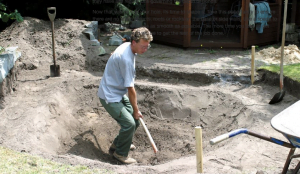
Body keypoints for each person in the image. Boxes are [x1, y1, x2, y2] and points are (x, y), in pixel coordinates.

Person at [97, 27, 153, 164]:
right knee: (129, 124)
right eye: (143, 46)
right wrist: (136, 110)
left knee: (136, 121)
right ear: (134, 42)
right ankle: (120, 154)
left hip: (117, 92)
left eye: (147, 46)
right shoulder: (126, 59)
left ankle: (118, 144)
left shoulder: (127, 45)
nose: (145, 49)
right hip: (109, 96)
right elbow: (131, 89)